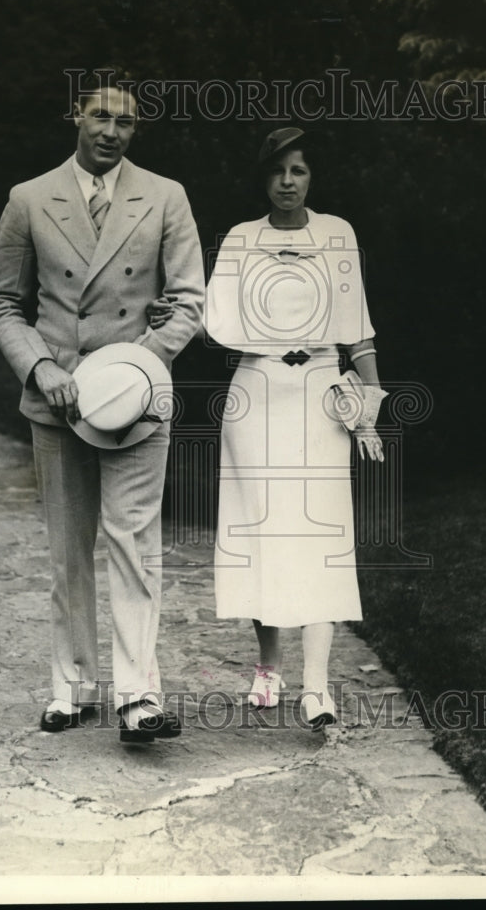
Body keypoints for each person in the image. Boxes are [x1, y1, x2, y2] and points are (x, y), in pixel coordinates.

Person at [0, 70, 205, 743]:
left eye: (126, 122)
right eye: (101, 116)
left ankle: (138, 696)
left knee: (134, 544)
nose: (112, 132)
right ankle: (70, 685)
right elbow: (0, 302)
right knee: (68, 550)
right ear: (75, 115)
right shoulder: (28, 199)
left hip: (136, 403)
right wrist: (40, 366)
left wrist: (138, 366)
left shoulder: (165, 197)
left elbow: (190, 300)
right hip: (56, 401)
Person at [149, 127, 385, 730]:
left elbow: (357, 326)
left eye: (299, 171)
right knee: (262, 532)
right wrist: (171, 315)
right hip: (255, 394)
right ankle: (269, 665)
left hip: (323, 393)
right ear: (263, 179)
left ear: (312, 178)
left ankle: (317, 687)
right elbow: (213, 322)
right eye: (278, 172)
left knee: (322, 537)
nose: (288, 182)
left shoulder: (338, 234)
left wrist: (370, 404)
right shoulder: (241, 239)